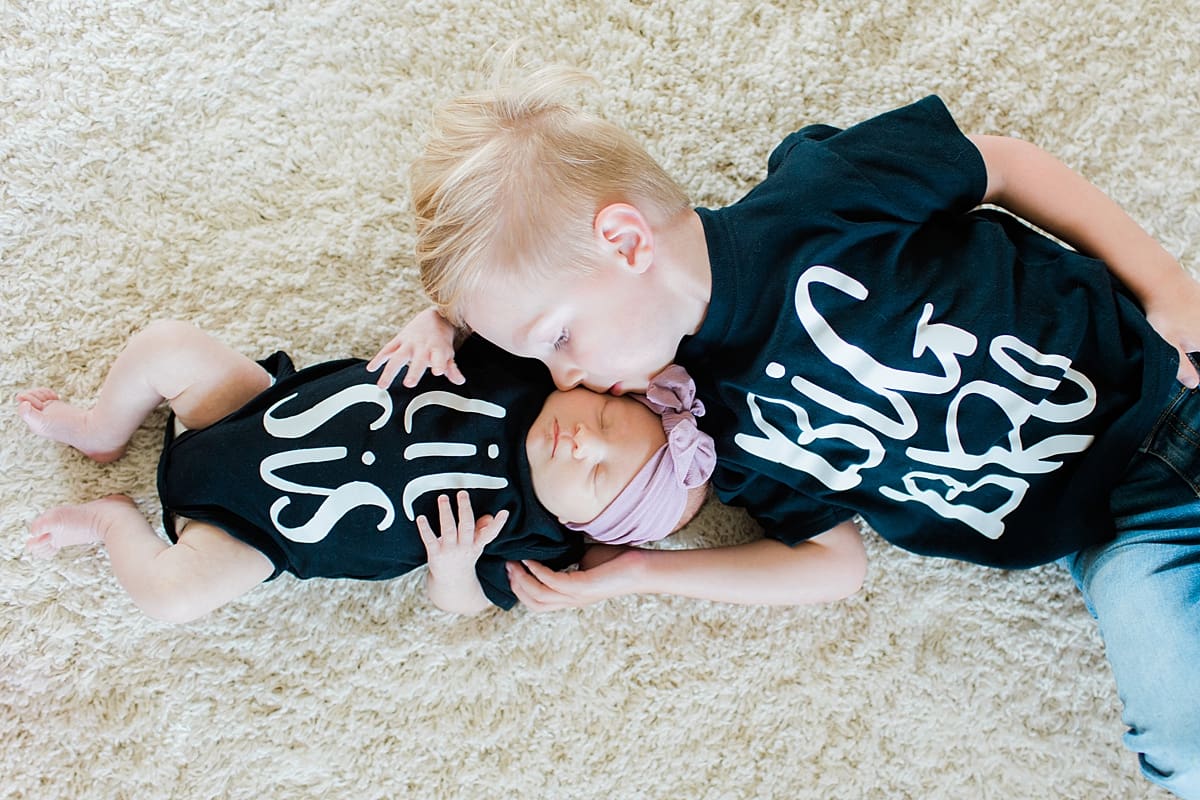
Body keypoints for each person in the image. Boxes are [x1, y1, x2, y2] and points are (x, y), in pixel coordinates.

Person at [369, 64, 1200, 797]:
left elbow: (1001, 165)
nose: (565, 379)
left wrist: (1165, 283)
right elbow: (830, 568)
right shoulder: (716, 426)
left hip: (1161, 375)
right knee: (1183, 746)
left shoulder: (819, 197)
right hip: (1116, 528)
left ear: (626, 242)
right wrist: (642, 575)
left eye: (557, 340)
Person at [17, 315, 714, 623]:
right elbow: (480, 305)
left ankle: (112, 524)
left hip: (259, 536)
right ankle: (100, 428)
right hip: (252, 408)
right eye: (601, 420)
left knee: (171, 597)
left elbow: (466, 607)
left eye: (595, 474)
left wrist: (453, 570)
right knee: (165, 343)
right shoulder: (522, 373)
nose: (579, 442)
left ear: (582, 521)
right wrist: (437, 323)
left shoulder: (537, 539)